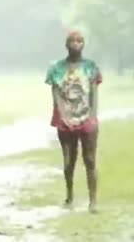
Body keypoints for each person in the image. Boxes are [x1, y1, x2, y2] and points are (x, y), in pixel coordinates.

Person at [45, 31, 102, 213]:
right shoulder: (56, 68)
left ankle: (93, 201)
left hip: (87, 118)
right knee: (69, 160)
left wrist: (92, 116)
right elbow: (55, 95)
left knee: (90, 159)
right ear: (66, 45)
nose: (76, 44)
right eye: (72, 41)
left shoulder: (91, 67)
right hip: (65, 120)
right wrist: (63, 116)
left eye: (79, 41)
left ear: (83, 44)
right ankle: (70, 196)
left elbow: (94, 93)